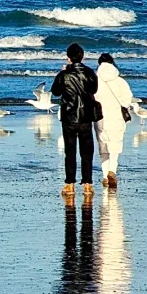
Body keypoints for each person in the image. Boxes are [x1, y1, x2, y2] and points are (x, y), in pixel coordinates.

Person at [51, 42, 102, 203]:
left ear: (68, 58)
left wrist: (62, 74)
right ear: (83, 56)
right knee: (87, 151)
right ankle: (87, 184)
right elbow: (94, 90)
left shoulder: (64, 74)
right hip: (86, 116)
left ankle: (70, 184)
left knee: (70, 151)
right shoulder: (89, 72)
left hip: (69, 116)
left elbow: (55, 92)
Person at [94, 51, 134, 190]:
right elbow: (127, 100)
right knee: (115, 145)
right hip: (116, 116)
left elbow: (92, 98)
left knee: (103, 145)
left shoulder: (95, 81)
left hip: (100, 117)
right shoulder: (120, 81)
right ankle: (113, 171)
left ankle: (105, 176)